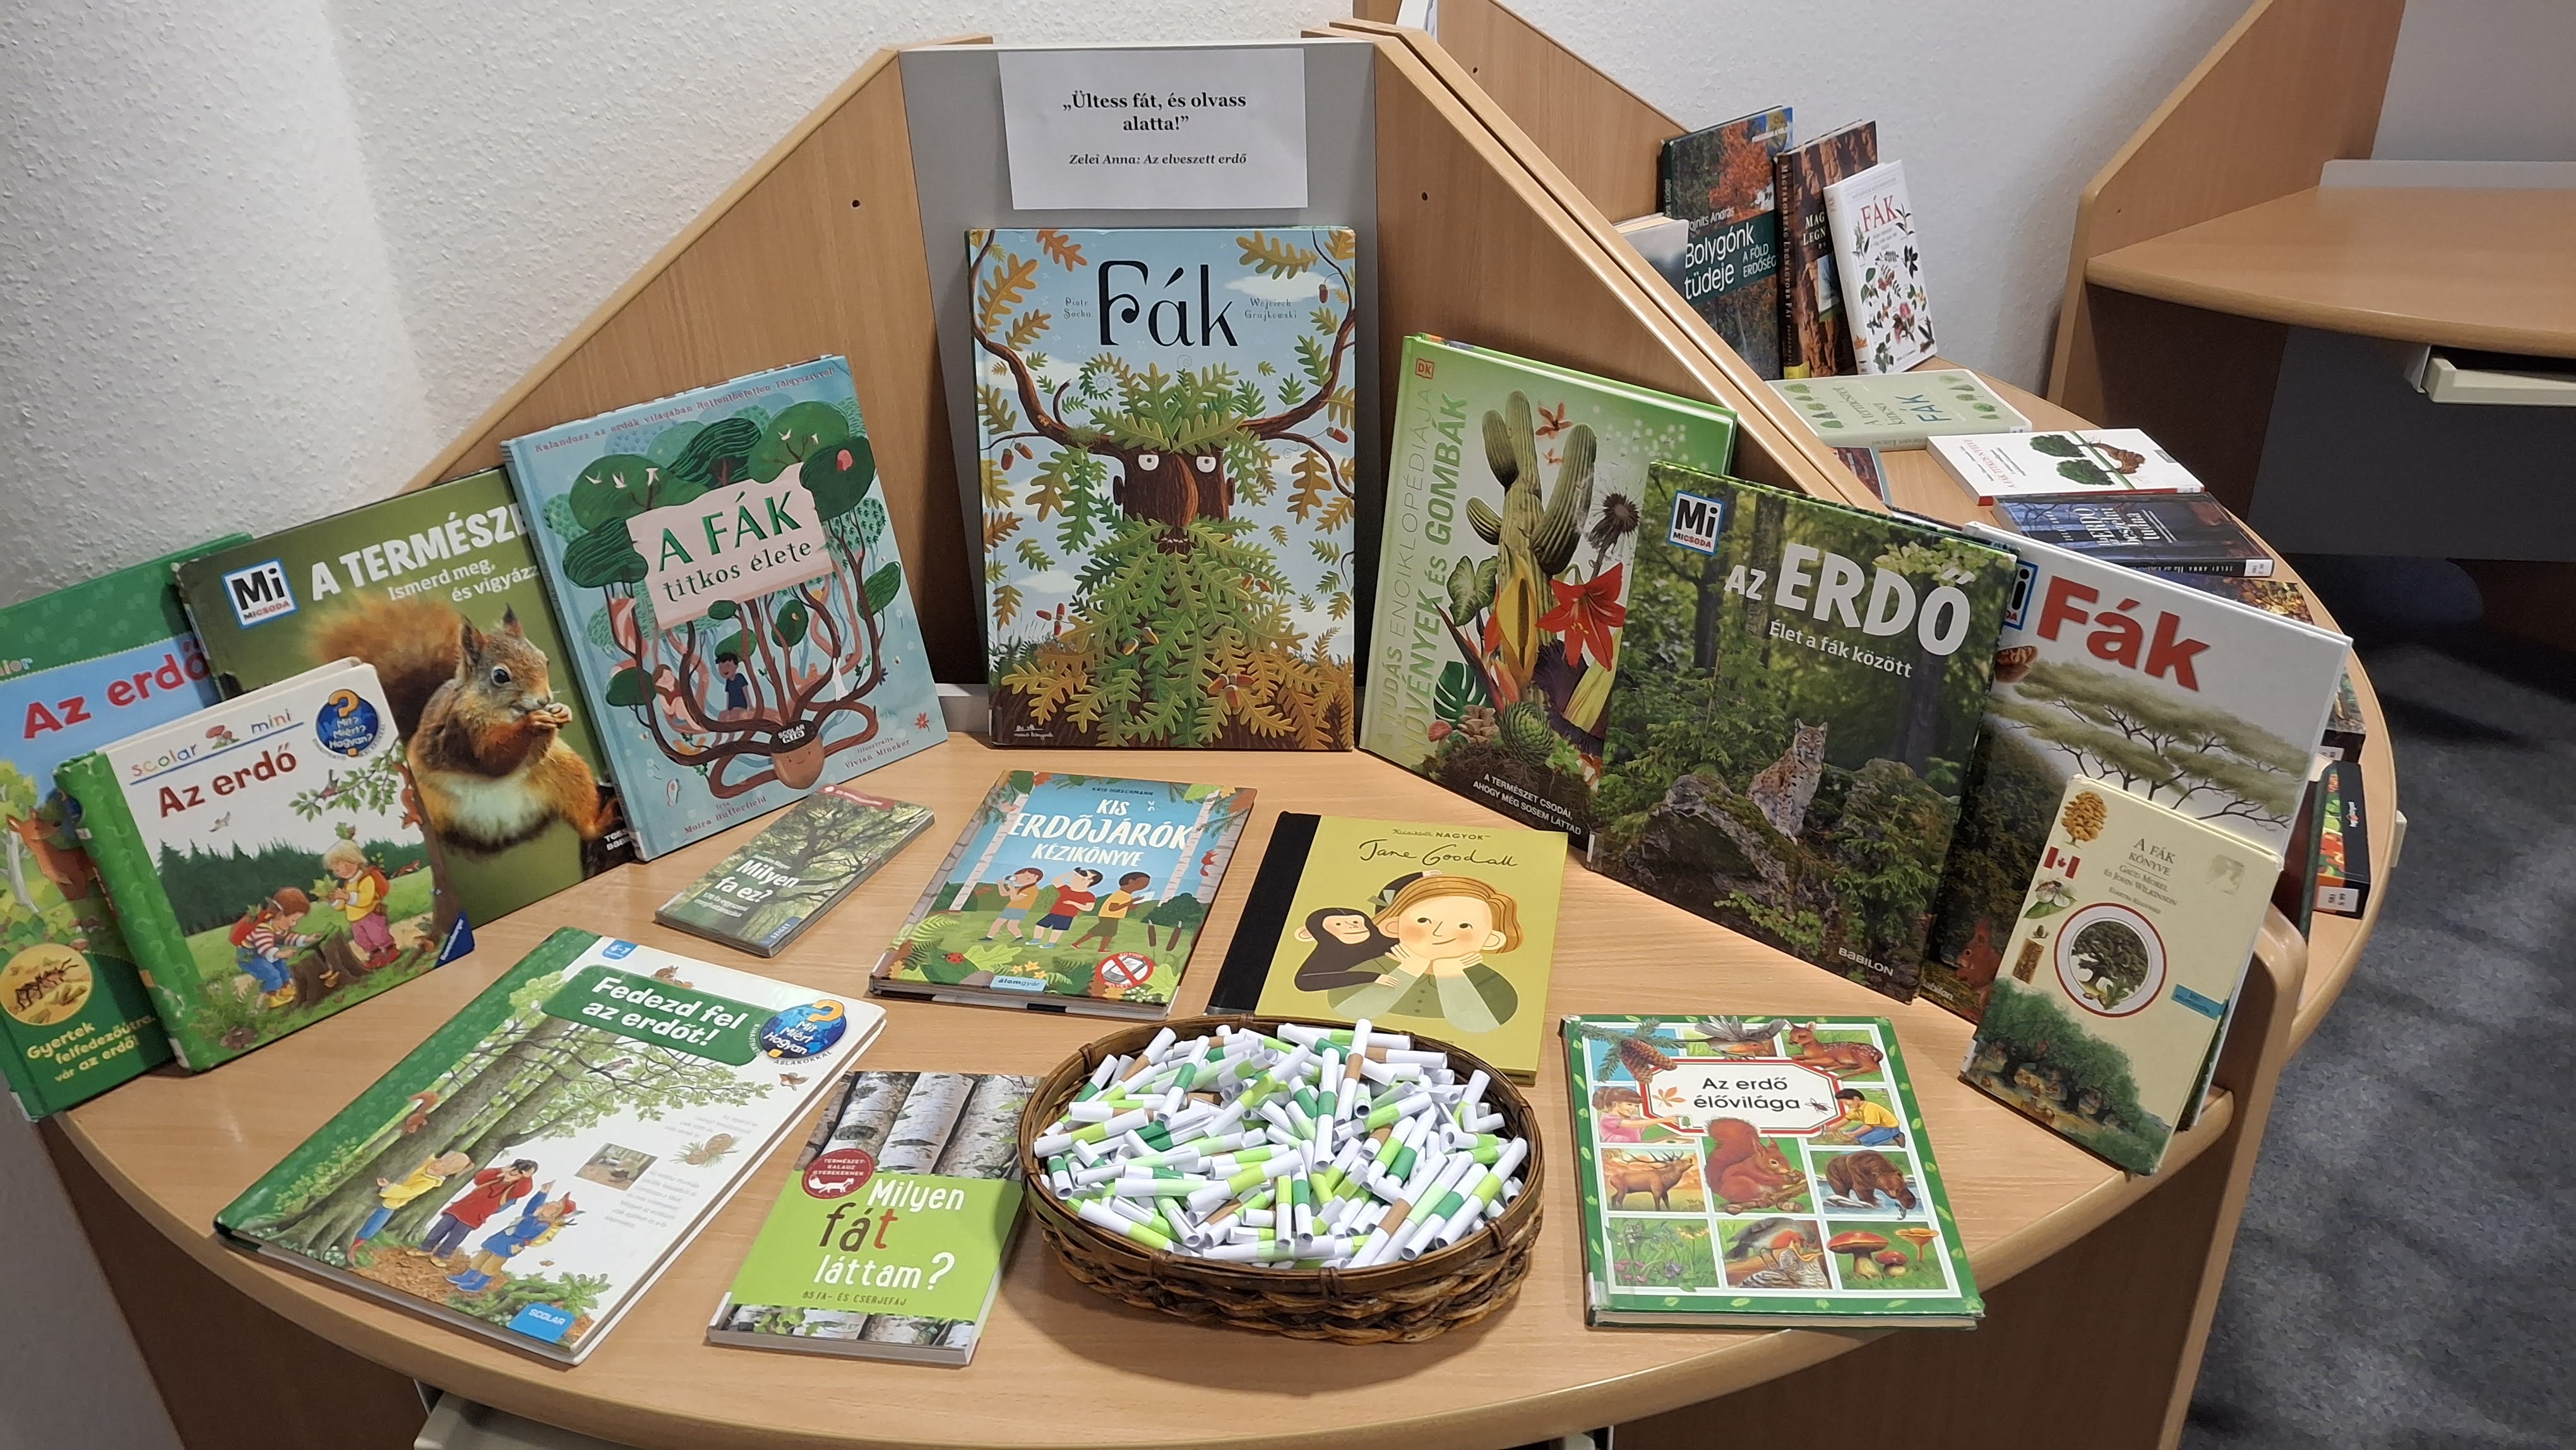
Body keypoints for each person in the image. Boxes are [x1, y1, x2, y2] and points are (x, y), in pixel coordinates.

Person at [1326, 874, 1524, 1034]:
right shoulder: (1371, 968)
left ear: (1492, 939)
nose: (1439, 933)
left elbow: (1483, 1025)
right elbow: (1344, 1011)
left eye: (1465, 926)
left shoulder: (1489, 982)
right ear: (1393, 926)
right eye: (1423, 921)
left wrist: (1451, 975)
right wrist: (1407, 971)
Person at [448, 1187, 576, 1293]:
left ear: (557, 1212)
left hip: (512, 1244)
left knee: (492, 1264)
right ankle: (467, 1276)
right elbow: (529, 1210)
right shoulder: (537, 1215)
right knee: (483, 1255)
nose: (553, 1202)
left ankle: (477, 1284)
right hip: (503, 1237)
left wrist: (534, 1217)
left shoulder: (544, 1224)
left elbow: (522, 1232)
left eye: (558, 1204)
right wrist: (542, 1194)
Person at [349, 1150, 474, 1257]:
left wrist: (389, 1187)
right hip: (378, 1193)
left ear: (445, 1173)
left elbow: (409, 1191)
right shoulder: (427, 1161)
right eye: (439, 1162)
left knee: (374, 1225)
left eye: (442, 1168)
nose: (436, 1167)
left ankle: (354, 1246)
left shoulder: (429, 1182)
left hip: (392, 1201)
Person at [419, 1159, 539, 1263]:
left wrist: (527, 1178)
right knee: (441, 1227)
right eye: (509, 1173)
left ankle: (442, 1256)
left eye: (514, 1176)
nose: (509, 1176)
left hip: (474, 1217)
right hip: (460, 1208)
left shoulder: (512, 1191)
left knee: (456, 1236)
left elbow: (523, 1191)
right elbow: (479, 1178)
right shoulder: (495, 1178)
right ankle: (425, 1248)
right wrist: (501, 1170)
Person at [229, 889, 316, 1009]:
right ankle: (270, 998)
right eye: (293, 920)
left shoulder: (280, 927)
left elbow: (287, 938)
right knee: (272, 975)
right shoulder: (263, 930)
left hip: (268, 953)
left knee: (283, 969)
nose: (294, 924)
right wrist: (281, 955)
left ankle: (285, 988)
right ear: (280, 915)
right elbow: (265, 948)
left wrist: (306, 939)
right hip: (250, 957)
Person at [323, 833, 398, 969]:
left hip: (370, 914)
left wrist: (346, 896)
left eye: (346, 866)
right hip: (355, 920)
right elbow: (341, 906)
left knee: (378, 935)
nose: (342, 871)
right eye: (337, 870)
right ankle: (376, 955)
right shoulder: (348, 884)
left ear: (355, 860)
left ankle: (391, 951)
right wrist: (334, 900)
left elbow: (365, 899)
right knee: (362, 939)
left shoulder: (365, 878)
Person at [1289, 906, 1398, 992]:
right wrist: (1372, 977)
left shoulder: (1386, 942)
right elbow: (1304, 981)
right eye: (1338, 924)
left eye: (1355, 922)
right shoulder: (1325, 956)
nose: (1352, 927)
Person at [1064, 871, 1154, 952]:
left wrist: (1137, 903)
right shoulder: (1120, 895)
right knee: (1102, 933)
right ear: (1131, 881)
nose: (1143, 887)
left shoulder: (1127, 895)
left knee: (1106, 933)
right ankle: (1080, 944)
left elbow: (1129, 908)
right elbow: (1113, 908)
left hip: (1114, 917)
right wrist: (1130, 902)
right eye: (1141, 884)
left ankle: (1100, 948)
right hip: (1108, 916)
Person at [1030, 869, 1102, 946]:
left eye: (1082, 878)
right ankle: (1036, 940)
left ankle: (1051, 944)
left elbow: (1089, 908)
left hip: (1067, 916)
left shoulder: (1089, 895)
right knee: (1040, 925)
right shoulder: (1066, 889)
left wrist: (1073, 903)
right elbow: (1056, 881)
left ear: (1090, 881)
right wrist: (1071, 873)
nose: (1075, 878)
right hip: (1054, 913)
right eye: (1076, 876)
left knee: (1057, 930)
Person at [981, 866, 1045, 941]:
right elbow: (1004, 894)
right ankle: (990, 937)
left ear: (1036, 878)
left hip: (1020, 909)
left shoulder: (1031, 889)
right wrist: (1000, 885)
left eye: (1028, 878)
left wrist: (1012, 888)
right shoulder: (1022, 888)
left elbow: (1014, 898)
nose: (1022, 880)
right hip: (1012, 908)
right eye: (1018, 878)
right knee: (1003, 924)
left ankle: (1018, 938)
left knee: (1009, 925)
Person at [1833, 1088, 1904, 1147]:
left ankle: (1896, 1136)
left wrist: (1853, 1134)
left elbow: (1869, 1127)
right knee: (1850, 1134)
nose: (1846, 1105)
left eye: (1846, 1102)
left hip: (1888, 1129)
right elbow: (1847, 1119)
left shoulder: (1870, 1108)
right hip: (1874, 1127)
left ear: (1856, 1099)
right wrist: (1832, 1128)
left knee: (1864, 1141)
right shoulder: (1855, 1108)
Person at [714, 650, 750, 716]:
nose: (724, 670)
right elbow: (728, 695)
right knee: (723, 715)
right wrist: (727, 708)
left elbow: (745, 692)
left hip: (741, 706)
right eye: (721, 667)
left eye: (728, 666)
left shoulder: (740, 677)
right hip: (731, 707)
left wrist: (750, 706)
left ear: (736, 666)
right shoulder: (728, 681)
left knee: (735, 712)